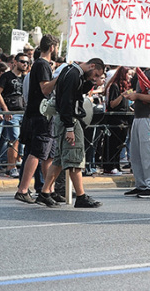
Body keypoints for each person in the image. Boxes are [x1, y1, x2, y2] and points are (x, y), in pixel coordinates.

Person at [39, 59, 105, 208]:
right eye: (95, 74)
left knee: (59, 160)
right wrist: (69, 127)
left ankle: (45, 193)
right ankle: (81, 196)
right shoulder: (74, 74)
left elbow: (76, 93)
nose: (95, 77)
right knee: (74, 158)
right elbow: (67, 101)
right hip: (70, 121)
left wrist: (91, 82)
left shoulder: (71, 71)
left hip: (65, 119)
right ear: (92, 66)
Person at [15, 35, 60, 204]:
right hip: (41, 115)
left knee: (49, 155)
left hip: (44, 115)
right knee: (37, 152)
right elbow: (45, 89)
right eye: (57, 47)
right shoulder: (42, 64)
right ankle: (23, 190)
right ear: (52, 47)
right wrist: (59, 78)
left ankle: (47, 190)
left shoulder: (41, 64)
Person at [124, 67, 150, 199]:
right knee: (137, 154)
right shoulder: (142, 73)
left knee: (149, 153)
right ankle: (141, 184)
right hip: (139, 116)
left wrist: (136, 96)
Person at [0, 53, 30, 178]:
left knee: (23, 140)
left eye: (27, 62)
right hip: (12, 112)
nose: (25, 64)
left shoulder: (26, 77)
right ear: (15, 62)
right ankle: (11, 166)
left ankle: (17, 164)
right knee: (14, 139)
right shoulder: (6, 76)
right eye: (22, 61)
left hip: (24, 112)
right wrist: (5, 109)